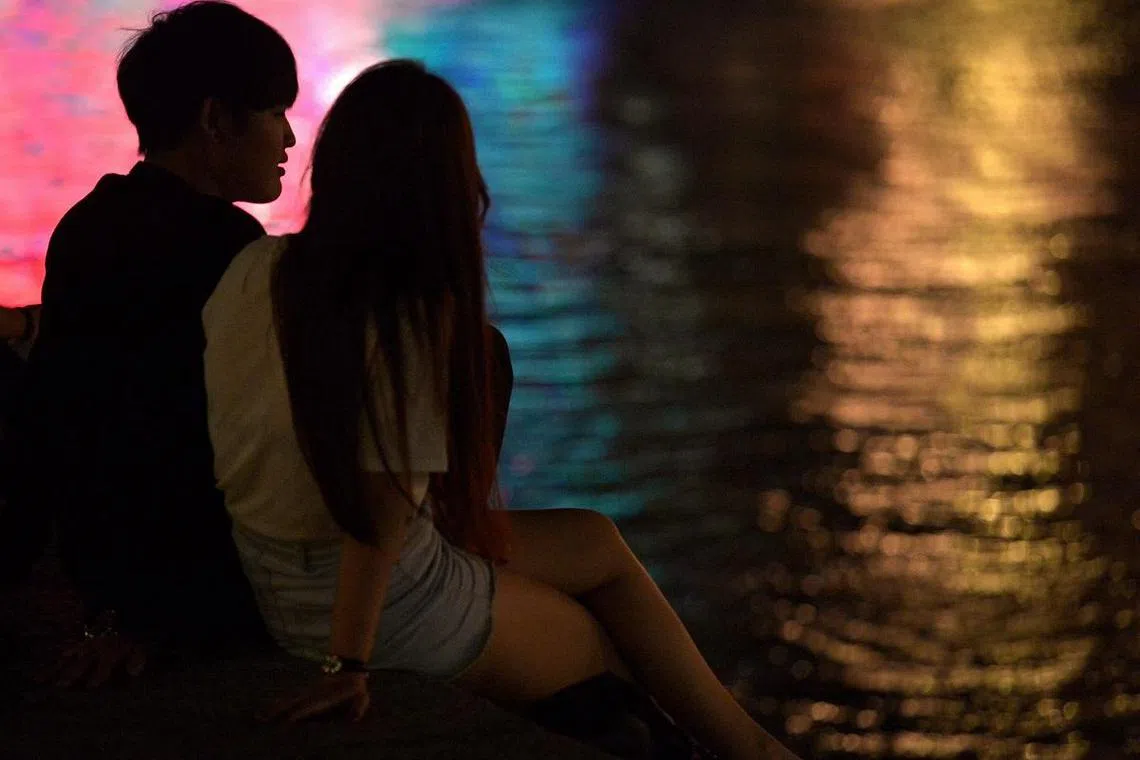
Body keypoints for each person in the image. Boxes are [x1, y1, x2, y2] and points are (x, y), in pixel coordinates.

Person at [202, 60, 801, 760]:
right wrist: (347, 664)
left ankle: (749, 746)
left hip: (275, 573)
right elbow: (377, 516)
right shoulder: (405, 316)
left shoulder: (255, 269)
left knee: (595, 540)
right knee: (597, 654)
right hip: (379, 606)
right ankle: (748, 749)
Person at [1, 1, 298, 685]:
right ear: (216, 119)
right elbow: (189, 445)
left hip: (109, 566)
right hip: (198, 584)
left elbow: (72, 422)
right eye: (274, 112)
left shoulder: (88, 222)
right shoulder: (227, 248)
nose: (287, 138)